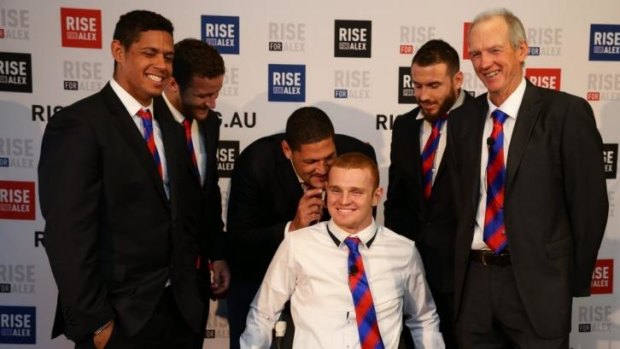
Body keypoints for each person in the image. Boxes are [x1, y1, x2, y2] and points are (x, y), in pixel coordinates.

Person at [38, 10, 204, 349]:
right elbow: (68, 236)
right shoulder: (79, 124)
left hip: (180, 315)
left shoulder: (171, 126)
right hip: (119, 319)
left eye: (168, 56)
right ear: (118, 51)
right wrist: (97, 323)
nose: (162, 64)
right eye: (149, 53)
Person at [446, 8, 608, 348]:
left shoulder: (566, 114)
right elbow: (458, 205)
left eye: (494, 50)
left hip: (539, 288)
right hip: (474, 285)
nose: (484, 62)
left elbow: (589, 209)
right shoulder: (462, 121)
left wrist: (567, 283)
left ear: (522, 51)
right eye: (475, 53)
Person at [241, 152, 445, 349]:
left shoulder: (403, 251)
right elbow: (263, 314)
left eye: (356, 191)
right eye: (336, 190)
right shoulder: (297, 245)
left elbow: (424, 320)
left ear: (376, 196)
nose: (344, 200)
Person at [227, 106, 376, 349]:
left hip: (327, 282)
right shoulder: (256, 162)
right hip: (260, 274)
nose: (323, 168)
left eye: (329, 157)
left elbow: (362, 230)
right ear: (287, 150)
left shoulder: (356, 155)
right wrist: (293, 228)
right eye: (311, 161)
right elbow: (238, 243)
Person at [384, 39, 471, 349]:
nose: (423, 95)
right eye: (417, 85)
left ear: (457, 80)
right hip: (414, 271)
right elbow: (397, 200)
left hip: (467, 275)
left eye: (434, 85)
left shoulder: (483, 120)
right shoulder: (405, 126)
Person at [162, 38, 231, 348]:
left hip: (193, 283)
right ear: (174, 84)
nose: (212, 103)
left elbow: (209, 193)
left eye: (216, 94)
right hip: (148, 291)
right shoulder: (146, 127)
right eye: (203, 95)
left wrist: (217, 253)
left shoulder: (209, 123)